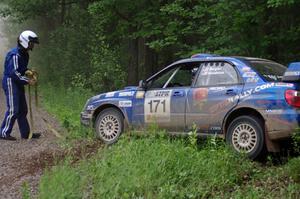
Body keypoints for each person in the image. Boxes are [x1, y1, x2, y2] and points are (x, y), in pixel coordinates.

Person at [0, 30, 40, 140]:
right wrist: (28, 81)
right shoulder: (15, 55)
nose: (32, 45)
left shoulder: (24, 54)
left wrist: (28, 71)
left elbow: (21, 70)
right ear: (25, 41)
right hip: (10, 82)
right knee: (13, 109)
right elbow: (14, 74)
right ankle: (3, 133)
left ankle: (26, 134)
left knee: (23, 109)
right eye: (31, 43)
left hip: (17, 82)